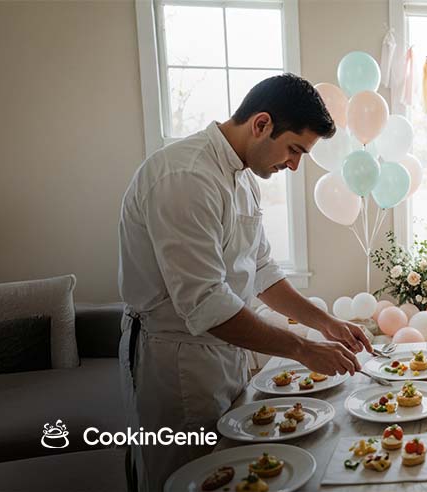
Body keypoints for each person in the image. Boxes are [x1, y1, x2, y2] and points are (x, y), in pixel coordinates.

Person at [118, 74, 374, 491]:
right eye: (294, 150)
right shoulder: (185, 177)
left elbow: (262, 270)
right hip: (178, 360)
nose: (294, 165)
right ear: (261, 124)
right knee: (187, 475)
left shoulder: (242, 180)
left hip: (227, 351)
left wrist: (324, 322)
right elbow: (205, 303)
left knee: (236, 472)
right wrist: (303, 348)